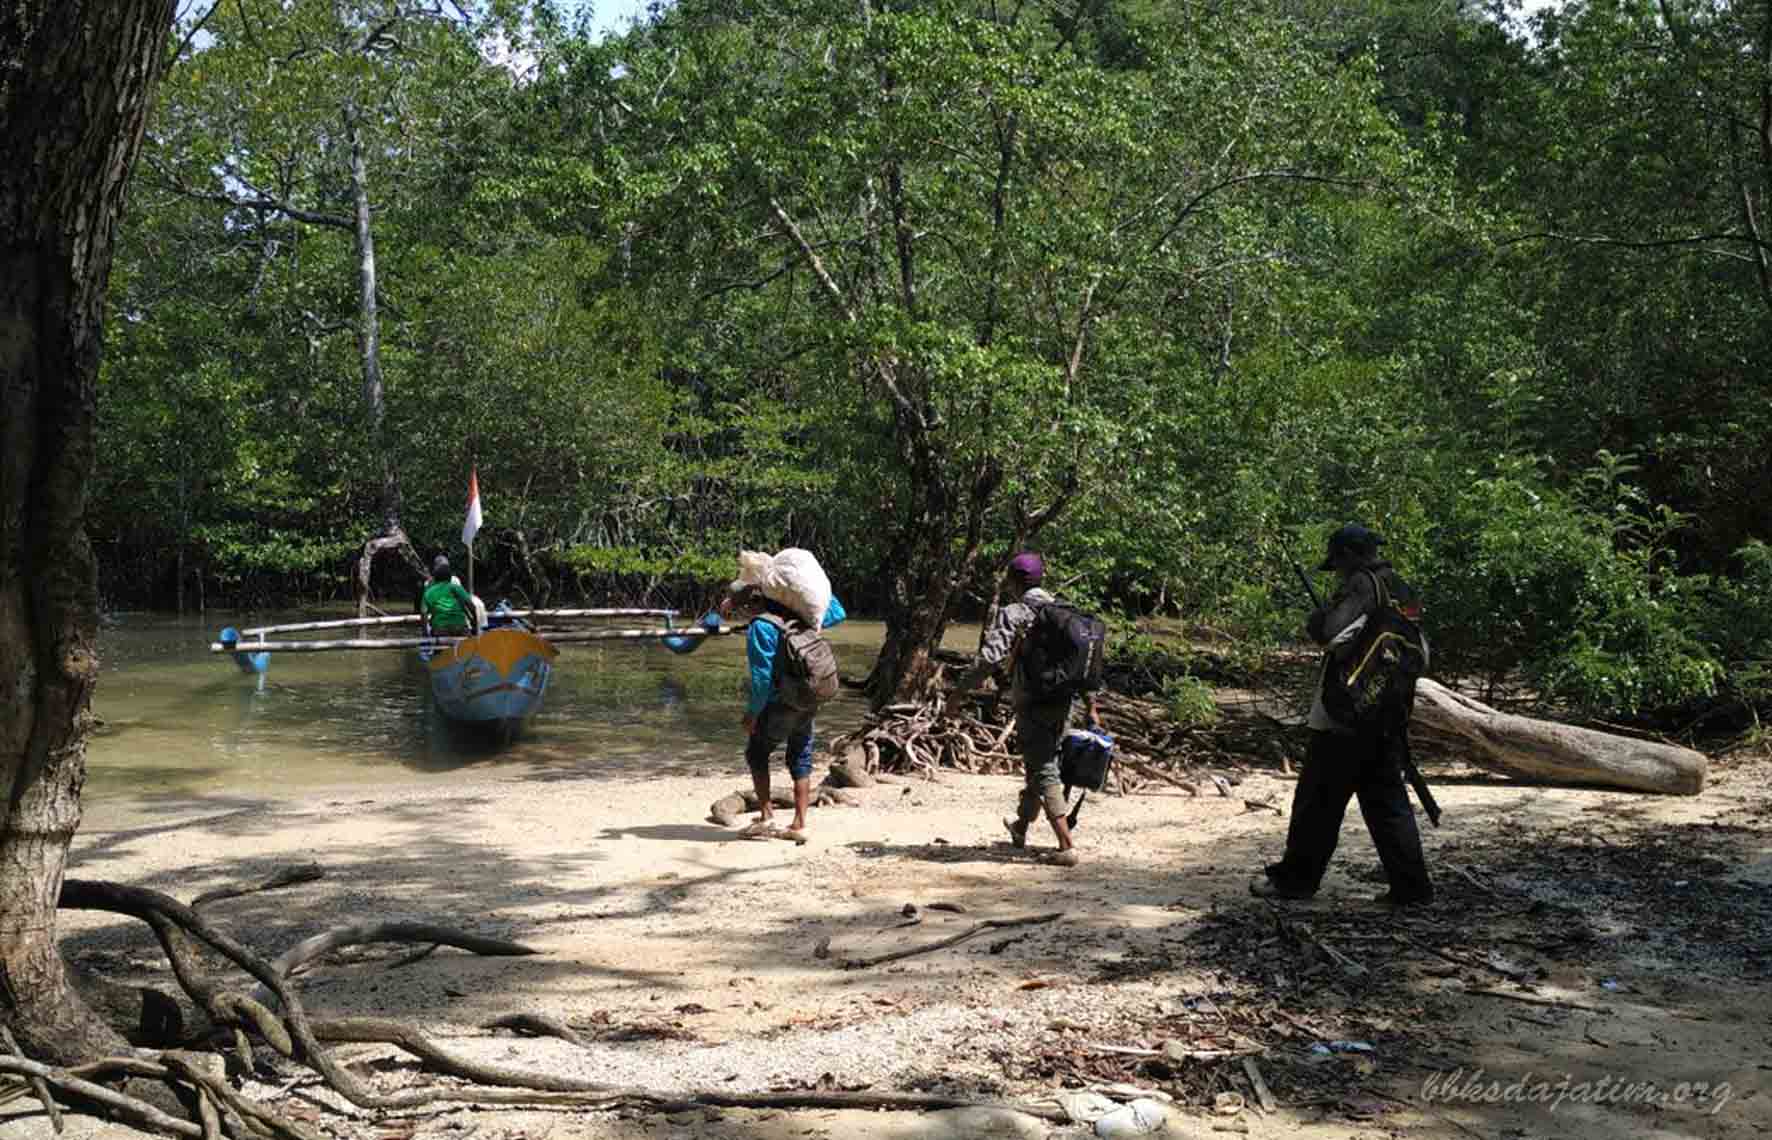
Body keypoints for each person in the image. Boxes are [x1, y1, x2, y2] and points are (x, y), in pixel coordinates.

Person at [1252, 524, 1434, 906]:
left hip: (1344, 716)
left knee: (1316, 805)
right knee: (1388, 805)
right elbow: (1421, 652)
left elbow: (1329, 634)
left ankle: (1296, 882)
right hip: (1387, 713)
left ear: (1350, 555)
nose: (1336, 571)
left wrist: (1320, 617)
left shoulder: (1360, 586)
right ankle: (1412, 889)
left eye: (1337, 563)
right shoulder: (1402, 589)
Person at [951, 552, 1097, 868]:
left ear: (1015, 582)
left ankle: (1066, 845)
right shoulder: (1062, 611)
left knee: (1043, 766)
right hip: (1063, 701)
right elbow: (1081, 665)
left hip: (1033, 702)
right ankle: (1020, 827)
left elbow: (990, 658)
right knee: (1040, 760)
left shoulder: (1015, 612)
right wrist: (1092, 709)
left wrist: (959, 692)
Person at [722, 583, 847, 840]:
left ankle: (767, 817)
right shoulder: (802, 617)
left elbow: (761, 679)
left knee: (756, 753)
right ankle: (800, 824)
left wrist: (752, 713)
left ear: (749, 605)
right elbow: (837, 611)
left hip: (781, 702)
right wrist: (803, 587)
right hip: (809, 698)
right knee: (800, 755)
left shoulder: (761, 627)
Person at [420, 555, 480, 638]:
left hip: (440, 628)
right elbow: (471, 606)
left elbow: (423, 612)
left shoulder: (428, 591)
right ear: (449, 577)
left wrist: (425, 633)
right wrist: (475, 623)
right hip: (460, 627)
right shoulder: (455, 586)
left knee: (439, 647)